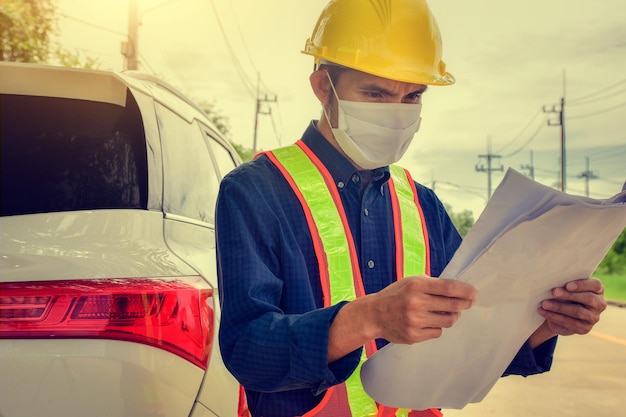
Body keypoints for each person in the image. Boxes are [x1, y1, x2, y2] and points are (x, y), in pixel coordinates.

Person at [215, 1, 607, 416]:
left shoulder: (423, 206)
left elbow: (472, 342)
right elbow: (246, 349)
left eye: (412, 96)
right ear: (322, 86)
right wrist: (367, 318)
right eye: (376, 93)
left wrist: (544, 323)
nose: (396, 114)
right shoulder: (255, 191)